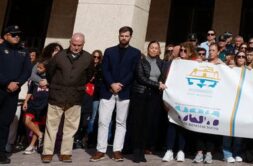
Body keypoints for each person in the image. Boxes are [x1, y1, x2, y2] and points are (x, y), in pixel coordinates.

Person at [91, 27, 141, 162]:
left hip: (125, 92)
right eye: (122, 35)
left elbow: (133, 72)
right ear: (118, 36)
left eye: (126, 36)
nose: (124, 38)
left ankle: (117, 150)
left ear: (130, 37)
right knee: (103, 121)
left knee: (121, 122)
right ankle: (100, 150)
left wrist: (121, 84)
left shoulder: (136, 53)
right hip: (108, 90)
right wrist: (112, 83)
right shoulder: (109, 51)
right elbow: (104, 69)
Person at [42, 33, 93, 163]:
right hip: (57, 95)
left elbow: (89, 75)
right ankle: (47, 152)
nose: (76, 47)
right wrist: (56, 86)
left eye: (79, 45)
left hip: (75, 96)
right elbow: (50, 73)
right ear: (70, 42)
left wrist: (78, 86)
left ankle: (65, 153)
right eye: (74, 44)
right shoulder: (59, 56)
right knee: (51, 126)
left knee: (71, 127)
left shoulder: (88, 58)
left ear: (83, 44)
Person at [0, 25, 33, 164]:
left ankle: (1, 153)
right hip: (1, 88)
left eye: (18, 34)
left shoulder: (23, 51)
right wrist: (6, 83)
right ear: (6, 36)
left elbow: (27, 71)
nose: (17, 36)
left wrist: (17, 83)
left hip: (13, 93)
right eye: (13, 34)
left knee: (4, 123)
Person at [129, 41, 166, 163]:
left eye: (156, 48)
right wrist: (157, 84)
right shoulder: (141, 61)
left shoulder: (161, 63)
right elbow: (141, 78)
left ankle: (142, 150)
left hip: (154, 96)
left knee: (147, 124)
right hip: (141, 94)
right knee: (138, 123)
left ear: (159, 50)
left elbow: (165, 75)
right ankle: (136, 151)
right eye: (152, 48)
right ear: (148, 49)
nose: (154, 50)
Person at [22, 61, 49, 155]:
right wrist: (26, 102)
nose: (38, 69)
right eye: (38, 67)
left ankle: (32, 145)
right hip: (33, 104)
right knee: (27, 120)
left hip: (43, 106)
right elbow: (30, 91)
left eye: (41, 68)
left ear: (46, 69)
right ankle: (40, 134)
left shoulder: (49, 79)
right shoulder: (35, 78)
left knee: (36, 124)